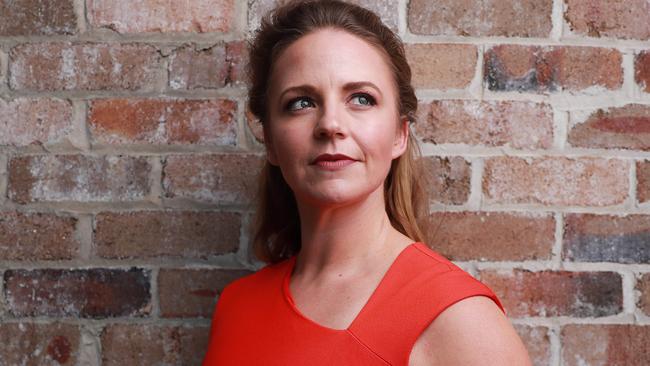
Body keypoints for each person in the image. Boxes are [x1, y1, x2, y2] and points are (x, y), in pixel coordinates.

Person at [203, 0, 532, 364]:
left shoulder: (458, 319)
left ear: (399, 135)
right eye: (300, 103)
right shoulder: (236, 303)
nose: (331, 124)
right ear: (270, 140)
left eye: (361, 99)